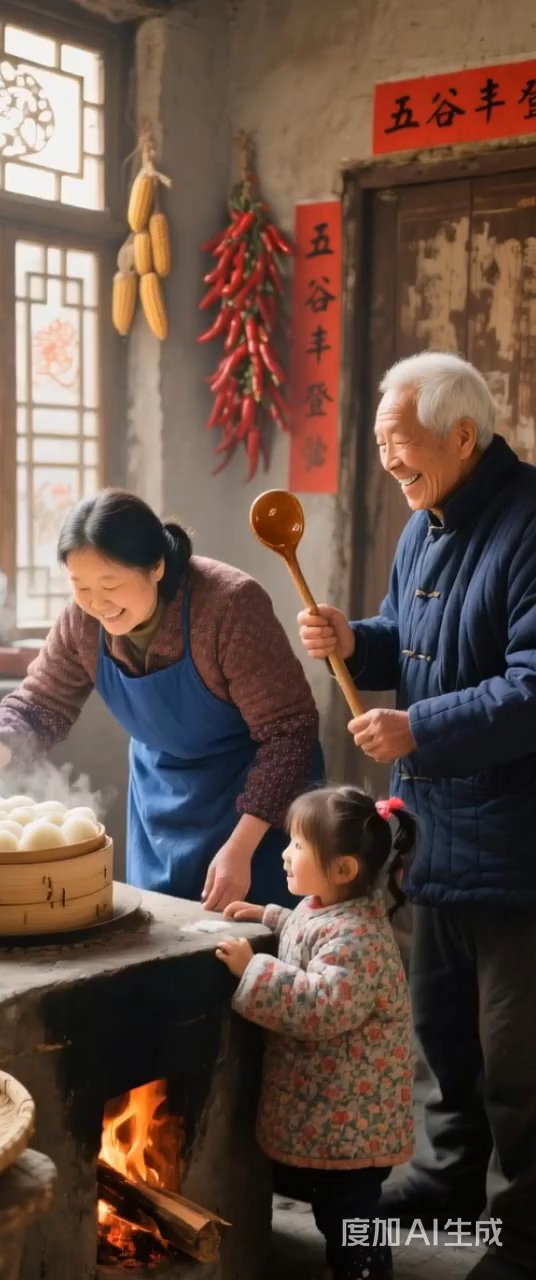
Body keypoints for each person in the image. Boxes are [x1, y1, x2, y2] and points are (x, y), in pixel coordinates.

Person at [298, 351, 536, 1280]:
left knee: (519, 1061)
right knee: (441, 1038)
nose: (389, 463)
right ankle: (444, 1184)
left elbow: (530, 686)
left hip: (519, 845)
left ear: (463, 437)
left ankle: (521, 1236)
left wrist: (417, 726)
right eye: (384, 446)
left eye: (401, 446)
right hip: (436, 831)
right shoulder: (425, 525)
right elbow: (413, 635)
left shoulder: (528, 524)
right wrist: (356, 638)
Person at [0, 489, 322, 910]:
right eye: (80, 585)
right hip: (161, 803)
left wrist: (242, 846)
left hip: (255, 806)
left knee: (252, 958)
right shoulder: (81, 621)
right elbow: (38, 704)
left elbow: (290, 732)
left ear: (156, 566)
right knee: (161, 947)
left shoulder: (229, 606)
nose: (96, 603)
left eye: (111, 584)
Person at [217, 785, 415, 1280]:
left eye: (297, 846)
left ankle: (367, 1270)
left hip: (354, 1124)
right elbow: (308, 933)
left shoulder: (359, 937)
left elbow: (322, 1005)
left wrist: (253, 971)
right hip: (331, 1113)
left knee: (348, 1217)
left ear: (344, 869)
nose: (284, 854)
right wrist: (269, 916)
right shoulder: (324, 906)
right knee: (335, 1207)